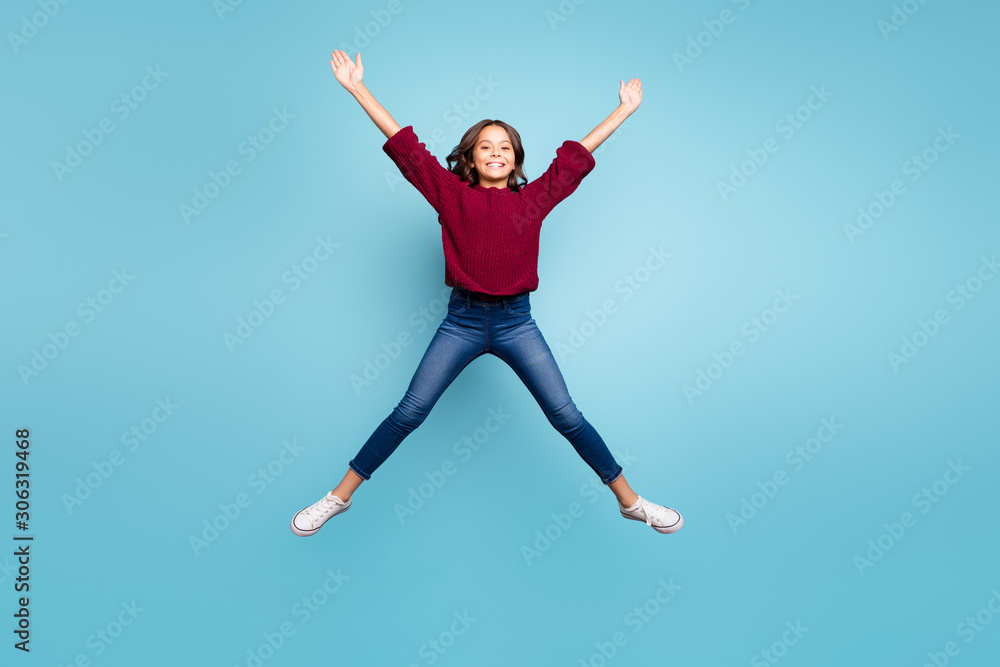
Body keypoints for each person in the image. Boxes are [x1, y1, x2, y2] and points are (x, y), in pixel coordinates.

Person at [290, 50, 683, 537]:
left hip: (518, 323)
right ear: (471, 159)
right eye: (485, 147)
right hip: (463, 322)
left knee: (566, 415)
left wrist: (623, 110)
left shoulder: (534, 199)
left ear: (516, 159)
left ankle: (630, 502)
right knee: (409, 411)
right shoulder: (449, 194)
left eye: (505, 147)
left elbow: (575, 158)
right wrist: (357, 88)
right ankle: (338, 497)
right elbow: (404, 145)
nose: (496, 152)